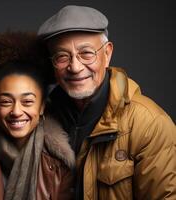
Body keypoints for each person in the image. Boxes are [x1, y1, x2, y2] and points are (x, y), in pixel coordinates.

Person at [37, 5, 176, 200]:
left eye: (86, 53)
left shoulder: (149, 124)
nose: (75, 67)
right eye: (62, 56)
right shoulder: (39, 120)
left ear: (107, 53)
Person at [0, 31, 75, 200]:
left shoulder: (61, 163)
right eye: (6, 102)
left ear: (42, 106)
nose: (16, 112)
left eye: (27, 102)